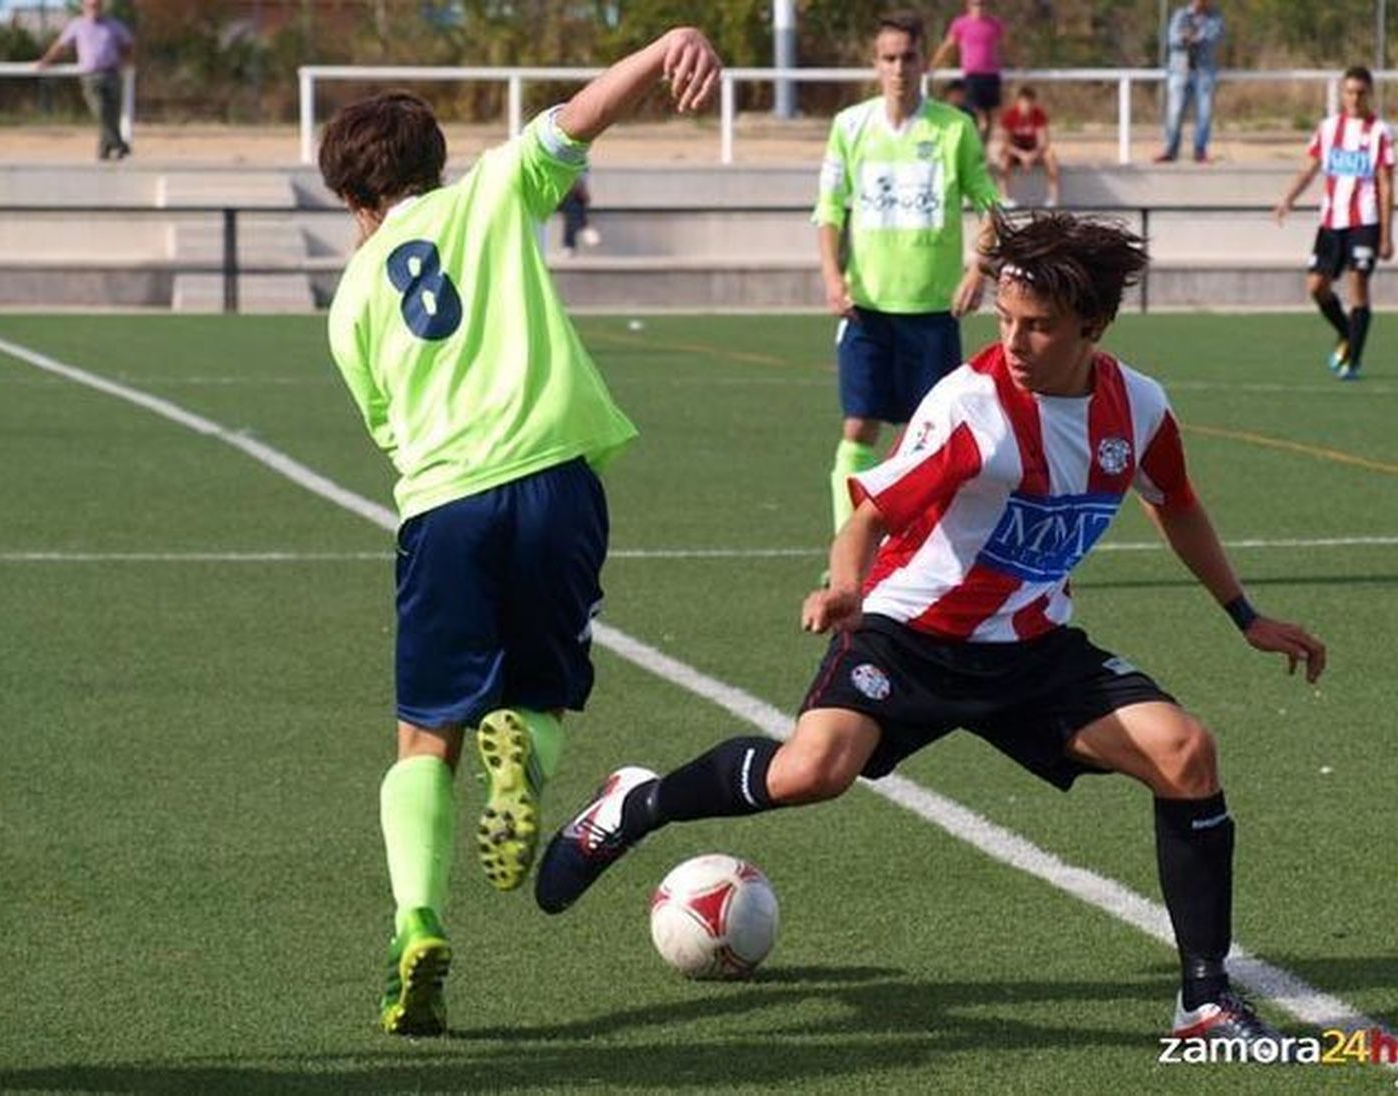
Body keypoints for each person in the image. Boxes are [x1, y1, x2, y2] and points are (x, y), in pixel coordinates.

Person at [532, 210, 1327, 1052]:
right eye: (1004, 318)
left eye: (1039, 326)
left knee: (1186, 754)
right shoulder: (971, 405)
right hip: (909, 637)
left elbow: (1178, 504)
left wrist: (1245, 615)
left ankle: (1203, 1002)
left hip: (1031, 652)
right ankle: (638, 802)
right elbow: (868, 516)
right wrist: (844, 589)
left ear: (1093, 325)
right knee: (812, 772)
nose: (1014, 340)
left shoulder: (1138, 407)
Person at [318, 26, 721, 1038]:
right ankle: (526, 751)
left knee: (423, 735)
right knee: (538, 696)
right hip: (555, 480)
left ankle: (417, 922)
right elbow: (587, 111)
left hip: (446, 501)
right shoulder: (496, 192)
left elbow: (388, 429)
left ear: (353, 198)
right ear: (434, 164)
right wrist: (668, 42)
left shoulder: (351, 299)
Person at [814, 10, 1001, 538]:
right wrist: (832, 277)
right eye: (889, 58)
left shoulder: (954, 128)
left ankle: (924, 547)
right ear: (875, 64)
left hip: (933, 310)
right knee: (858, 426)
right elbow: (828, 210)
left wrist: (977, 268)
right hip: (867, 307)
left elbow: (992, 206)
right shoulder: (849, 127)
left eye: (909, 57)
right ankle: (847, 549)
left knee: (936, 435)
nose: (899, 68)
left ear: (925, 61)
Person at [1273, 66, 1396, 381]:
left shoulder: (1379, 131)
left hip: (1364, 221)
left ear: (1369, 94)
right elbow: (1309, 168)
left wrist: (1386, 233)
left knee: (1358, 285)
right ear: (1342, 93)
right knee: (1316, 287)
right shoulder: (1328, 129)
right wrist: (1288, 198)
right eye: (1349, 92)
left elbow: (1386, 183)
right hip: (1331, 222)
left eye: (1360, 92)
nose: (1355, 98)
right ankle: (1347, 333)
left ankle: (1353, 360)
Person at [34, 0, 134, 161]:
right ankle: (120, 144)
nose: (94, 9)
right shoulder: (77, 25)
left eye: (97, 5)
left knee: (112, 114)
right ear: (84, 7)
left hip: (112, 74)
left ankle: (105, 152)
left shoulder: (114, 25)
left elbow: (128, 43)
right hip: (90, 77)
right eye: (91, 5)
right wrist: (46, 60)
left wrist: (126, 61)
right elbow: (61, 45)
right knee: (101, 111)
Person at [1155, 0, 1224, 164]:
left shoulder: (1215, 17)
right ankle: (1170, 150)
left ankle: (1200, 151)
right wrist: (1185, 38)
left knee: (1204, 113)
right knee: (1175, 111)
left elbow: (1214, 37)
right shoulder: (1181, 15)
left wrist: (1195, 37)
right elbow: (1172, 39)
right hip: (1180, 71)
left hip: (1204, 72)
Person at [929, 0, 1006, 143]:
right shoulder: (961, 24)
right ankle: (972, 145)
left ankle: (982, 150)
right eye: (976, 4)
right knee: (977, 114)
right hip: (973, 74)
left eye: (983, 3)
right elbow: (948, 45)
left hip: (991, 74)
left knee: (989, 118)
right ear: (968, 5)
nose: (979, 7)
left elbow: (1003, 46)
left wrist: (1008, 64)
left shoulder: (994, 24)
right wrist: (933, 64)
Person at [995, 85, 1061, 207]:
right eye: (1024, 103)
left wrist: (1032, 155)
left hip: (1034, 150)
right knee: (1003, 159)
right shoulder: (1010, 115)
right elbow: (1006, 143)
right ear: (1018, 102)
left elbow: (1043, 142)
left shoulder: (1039, 115)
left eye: (1029, 103)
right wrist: (1021, 155)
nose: (1026, 106)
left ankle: (1053, 198)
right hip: (1015, 151)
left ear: (1033, 103)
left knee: (1050, 156)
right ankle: (1004, 197)